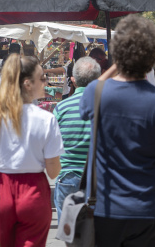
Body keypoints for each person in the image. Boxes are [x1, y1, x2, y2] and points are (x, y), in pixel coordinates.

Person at [79, 14, 155, 247]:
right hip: (148, 210)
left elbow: (96, 84)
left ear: (116, 54)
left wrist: (119, 62)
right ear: (152, 57)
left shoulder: (95, 94)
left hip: (104, 209)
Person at [0, 54, 63, 247]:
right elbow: (53, 171)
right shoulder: (47, 119)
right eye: (42, 78)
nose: (45, 83)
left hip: (0, 188)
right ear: (28, 84)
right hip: (34, 190)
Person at [53, 56, 101, 222]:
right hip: (98, 177)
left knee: (69, 233)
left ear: (73, 80)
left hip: (68, 176)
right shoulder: (106, 106)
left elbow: (53, 143)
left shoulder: (61, 107)